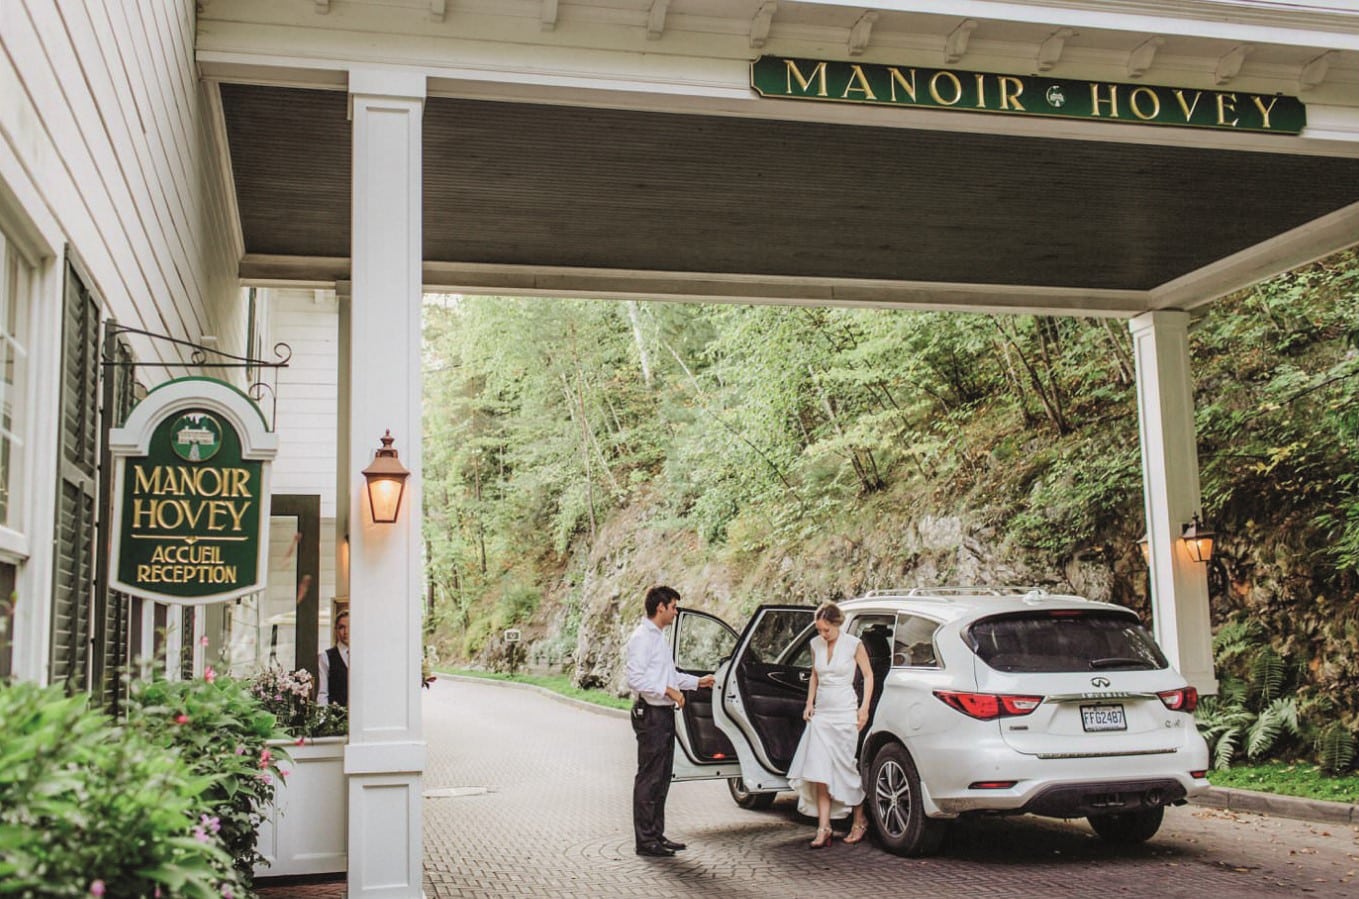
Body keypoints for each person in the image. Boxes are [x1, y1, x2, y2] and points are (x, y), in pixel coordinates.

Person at [624, 585, 715, 858]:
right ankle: (645, 840)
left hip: (662, 715)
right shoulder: (642, 638)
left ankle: (656, 835)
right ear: (660, 607)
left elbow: (670, 675)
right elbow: (636, 679)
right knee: (649, 778)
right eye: (674, 607)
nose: (676, 612)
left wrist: (698, 682)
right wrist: (668, 691)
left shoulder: (658, 638)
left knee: (662, 778)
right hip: (650, 715)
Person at [786, 601, 874, 848]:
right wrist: (809, 703)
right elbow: (814, 675)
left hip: (846, 711)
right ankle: (824, 827)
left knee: (846, 766)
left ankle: (859, 820)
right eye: (819, 630)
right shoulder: (816, 645)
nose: (822, 634)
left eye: (827, 630)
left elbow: (868, 676)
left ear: (837, 624)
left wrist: (864, 708)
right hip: (822, 713)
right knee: (819, 770)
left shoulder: (853, 644)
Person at [317, 610, 349, 706]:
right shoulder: (326, 657)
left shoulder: (364, 655)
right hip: (336, 717)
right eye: (342, 627)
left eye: (350, 627)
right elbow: (323, 693)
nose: (346, 632)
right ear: (336, 630)